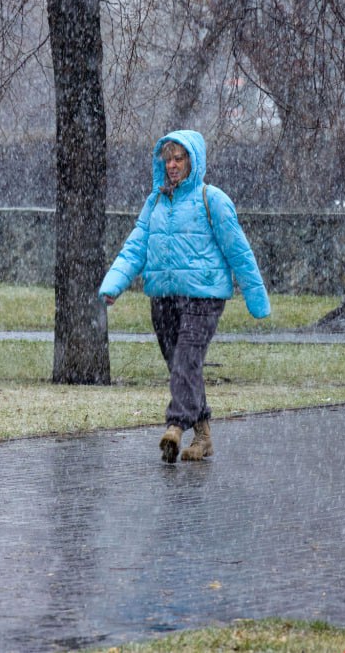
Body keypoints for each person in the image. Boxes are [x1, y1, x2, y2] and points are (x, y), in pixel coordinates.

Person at [99, 129, 270, 463]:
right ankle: (203, 437)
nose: (173, 165)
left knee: (185, 362)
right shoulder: (156, 202)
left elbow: (239, 252)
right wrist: (113, 285)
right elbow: (135, 247)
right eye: (168, 160)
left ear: (194, 160)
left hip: (203, 298)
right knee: (182, 367)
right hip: (163, 296)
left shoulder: (213, 199)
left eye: (180, 159)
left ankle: (175, 426)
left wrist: (256, 297)